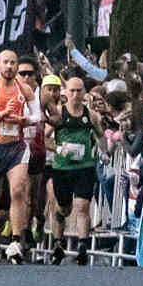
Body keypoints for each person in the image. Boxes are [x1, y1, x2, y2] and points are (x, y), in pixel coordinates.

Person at [0, 48, 35, 264]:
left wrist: (22, 120)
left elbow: (36, 116)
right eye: (6, 62)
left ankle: (15, 241)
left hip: (17, 147)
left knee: (18, 191)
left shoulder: (25, 90)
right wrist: (2, 115)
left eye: (13, 63)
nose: (10, 66)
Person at [44, 74, 103, 264]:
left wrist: (105, 152)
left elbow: (101, 136)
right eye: (72, 91)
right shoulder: (59, 115)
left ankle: (82, 247)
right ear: (65, 93)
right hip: (62, 168)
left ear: (84, 93)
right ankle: (58, 243)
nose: (76, 95)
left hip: (85, 167)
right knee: (63, 209)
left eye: (79, 91)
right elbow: (43, 138)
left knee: (82, 206)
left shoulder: (91, 116)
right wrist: (60, 149)